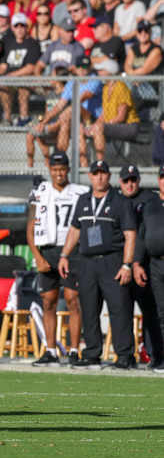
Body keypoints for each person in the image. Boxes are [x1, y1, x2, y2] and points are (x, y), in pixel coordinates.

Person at [58, 160, 137, 369]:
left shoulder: (120, 201)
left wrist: (127, 264)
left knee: (119, 309)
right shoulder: (83, 200)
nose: (99, 177)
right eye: (95, 174)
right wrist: (64, 255)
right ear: (90, 177)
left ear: (109, 176)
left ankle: (124, 355)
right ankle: (92, 352)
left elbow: (130, 235)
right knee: (90, 308)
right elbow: (75, 230)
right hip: (87, 262)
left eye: (103, 173)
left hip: (112, 261)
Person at [28, 152, 89, 367]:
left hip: (72, 250)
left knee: (73, 299)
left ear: (68, 169)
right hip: (48, 249)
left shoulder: (80, 193)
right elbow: (31, 226)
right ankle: (51, 350)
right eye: (55, 169)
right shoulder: (40, 191)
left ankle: (74, 350)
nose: (59, 173)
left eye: (62, 169)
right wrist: (37, 256)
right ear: (50, 170)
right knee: (48, 301)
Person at [118, 165, 162, 368]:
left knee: (151, 311)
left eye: (133, 180)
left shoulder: (150, 200)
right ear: (120, 182)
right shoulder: (116, 200)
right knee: (122, 310)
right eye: (126, 180)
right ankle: (126, 355)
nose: (130, 184)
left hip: (145, 265)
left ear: (139, 180)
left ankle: (154, 355)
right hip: (122, 264)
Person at [133, 164, 164, 373]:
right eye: (163, 177)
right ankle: (160, 357)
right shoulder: (151, 204)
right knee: (160, 313)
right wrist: (136, 263)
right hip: (155, 263)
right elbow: (142, 235)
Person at [84, 58, 139, 161]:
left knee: (98, 128)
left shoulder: (120, 87)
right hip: (112, 125)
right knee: (84, 130)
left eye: (101, 71)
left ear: (110, 72)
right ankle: (84, 164)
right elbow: (104, 114)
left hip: (128, 126)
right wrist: (94, 125)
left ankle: (100, 164)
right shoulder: (105, 88)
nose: (98, 73)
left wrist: (102, 125)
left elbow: (121, 117)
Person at [0, 12, 41, 126]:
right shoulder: (9, 44)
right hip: (9, 80)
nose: (19, 29)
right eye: (16, 26)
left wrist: (10, 76)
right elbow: (3, 65)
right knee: (3, 86)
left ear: (26, 27)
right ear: (12, 28)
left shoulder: (33, 44)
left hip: (25, 79)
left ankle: (24, 118)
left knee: (23, 86)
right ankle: (7, 118)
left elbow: (30, 68)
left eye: (22, 26)